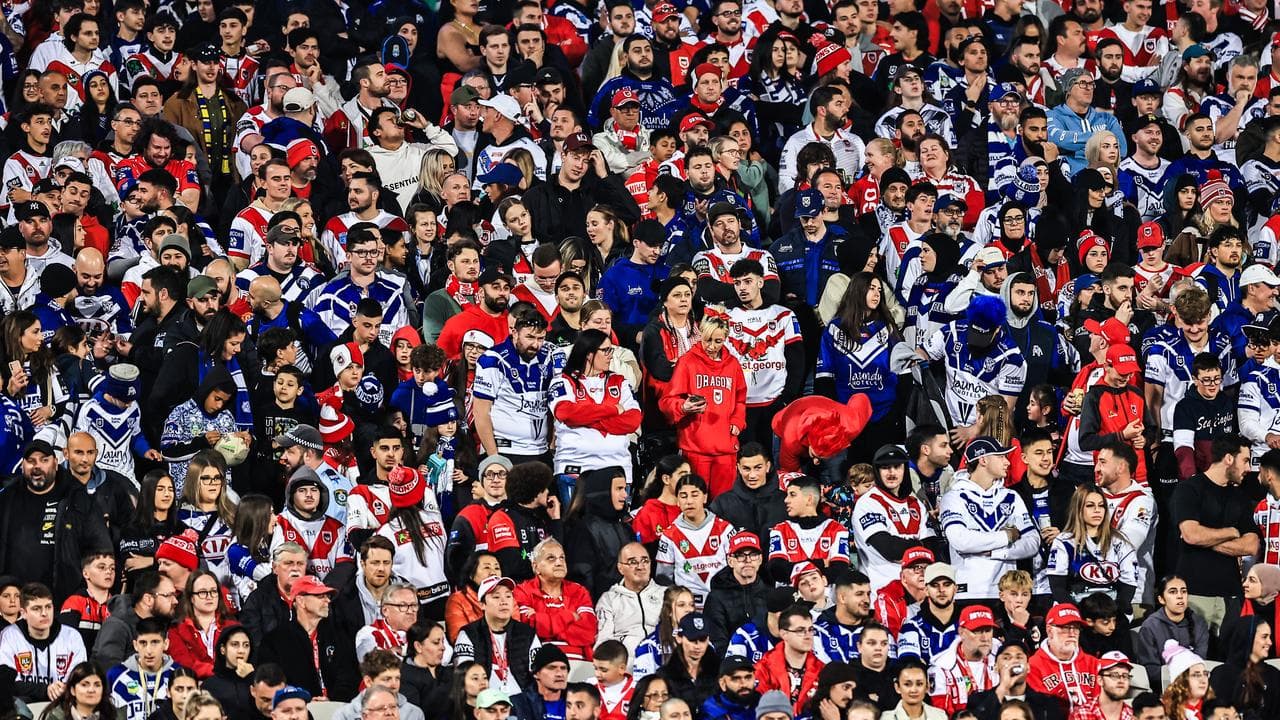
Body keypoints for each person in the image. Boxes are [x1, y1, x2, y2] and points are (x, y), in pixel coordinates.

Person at [1170, 435, 1259, 632]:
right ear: (1228, 458)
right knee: (1193, 660)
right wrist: (1231, 531)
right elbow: (1191, 534)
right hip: (1194, 593)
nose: (1248, 469)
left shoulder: (1240, 498)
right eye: (1245, 461)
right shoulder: (1189, 489)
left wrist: (1205, 539)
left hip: (1231, 596)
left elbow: (1251, 546)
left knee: (1229, 660)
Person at [940, 437, 1040, 602]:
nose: (1007, 462)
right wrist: (1006, 537)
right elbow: (961, 540)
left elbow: (1032, 543)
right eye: (1000, 456)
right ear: (983, 459)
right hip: (968, 593)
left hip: (1006, 594)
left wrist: (995, 551)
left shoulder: (1011, 497)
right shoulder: (953, 497)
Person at [258, 576, 359, 701]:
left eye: (328, 596)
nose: (327, 600)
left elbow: (349, 676)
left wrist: (332, 700)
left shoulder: (338, 635)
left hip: (336, 709)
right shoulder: (275, 641)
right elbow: (274, 683)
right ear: (301, 601)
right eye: (320, 596)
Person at [0, 582, 87, 702]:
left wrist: (62, 690)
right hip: (23, 707)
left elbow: (80, 680)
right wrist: (45, 690)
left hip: (62, 704)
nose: (44, 613)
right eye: (36, 609)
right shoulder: (9, 635)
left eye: (48, 607)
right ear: (23, 613)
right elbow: (6, 682)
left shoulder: (72, 637)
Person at [1027, 603, 1100, 712]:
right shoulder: (1033, 667)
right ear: (1050, 631)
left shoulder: (1094, 664)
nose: (1072, 633)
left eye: (1076, 628)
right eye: (1065, 628)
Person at [595, 543, 664, 655]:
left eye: (645, 561)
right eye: (633, 562)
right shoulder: (609, 599)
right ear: (620, 568)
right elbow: (604, 641)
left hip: (662, 660)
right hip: (626, 664)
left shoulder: (666, 594)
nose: (640, 567)